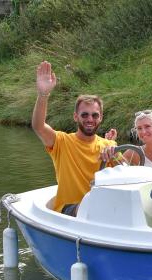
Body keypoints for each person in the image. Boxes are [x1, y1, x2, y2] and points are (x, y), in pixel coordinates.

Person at [31, 61, 116, 216]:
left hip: (101, 211)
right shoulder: (61, 142)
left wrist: (116, 155)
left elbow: (127, 171)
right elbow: (38, 126)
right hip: (69, 210)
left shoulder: (109, 145)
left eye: (94, 115)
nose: (90, 119)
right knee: (90, 209)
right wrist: (43, 94)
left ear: (101, 117)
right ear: (75, 117)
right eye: (84, 115)